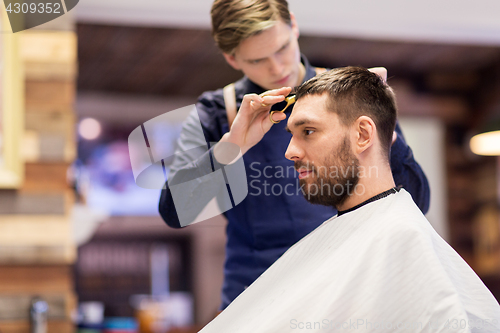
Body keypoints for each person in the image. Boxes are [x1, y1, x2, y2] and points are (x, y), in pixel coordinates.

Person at [159, 0, 430, 311]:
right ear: (231, 59)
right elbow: (174, 213)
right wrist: (232, 146)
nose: (277, 68)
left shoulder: (350, 95)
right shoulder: (216, 112)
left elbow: (417, 203)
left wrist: (383, 132)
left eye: (282, 48)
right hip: (257, 297)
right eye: (258, 59)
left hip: (346, 288)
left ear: (294, 26)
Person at [197, 66, 500, 333]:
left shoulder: (401, 240)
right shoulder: (341, 235)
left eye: (308, 131)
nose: (289, 151)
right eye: (292, 133)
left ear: (363, 135)